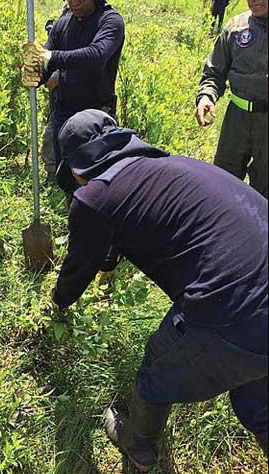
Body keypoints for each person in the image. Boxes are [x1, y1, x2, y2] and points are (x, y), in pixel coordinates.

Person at [50, 109, 267, 472]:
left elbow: (78, 266)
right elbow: (128, 227)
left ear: (75, 166)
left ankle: (138, 447)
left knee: (159, 366)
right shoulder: (163, 167)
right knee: (258, 400)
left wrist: (58, 300)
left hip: (235, 304)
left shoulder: (94, 198)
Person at [22, 0, 125, 194]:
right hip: (65, 112)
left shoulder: (110, 21)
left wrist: (52, 57)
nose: (74, 1)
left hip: (96, 115)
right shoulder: (63, 22)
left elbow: (96, 55)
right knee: (67, 178)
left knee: (97, 181)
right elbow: (46, 59)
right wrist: (33, 71)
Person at [196, 0, 268, 199]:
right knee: (222, 188)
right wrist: (206, 96)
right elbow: (214, 73)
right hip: (236, 121)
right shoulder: (235, 28)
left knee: (263, 197)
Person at [41, 0, 87, 183]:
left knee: (65, 136)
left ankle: (65, 180)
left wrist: (58, 74)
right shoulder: (69, 10)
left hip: (78, 90)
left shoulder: (91, 13)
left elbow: (87, 54)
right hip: (63, 91)